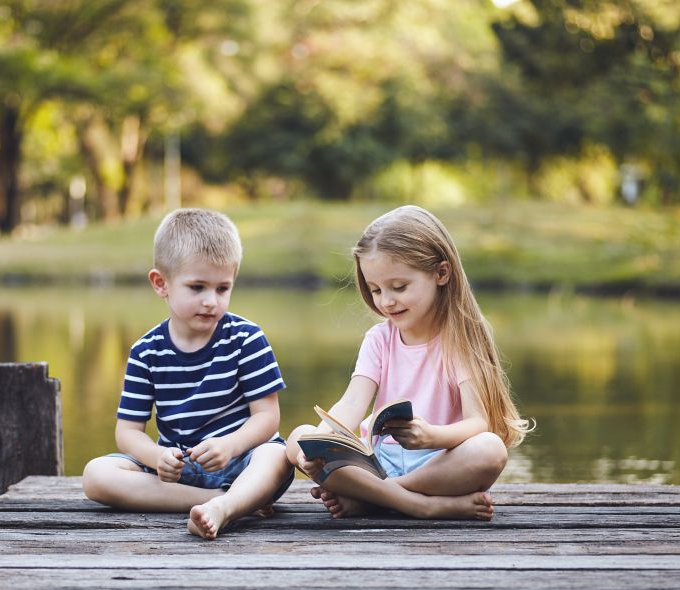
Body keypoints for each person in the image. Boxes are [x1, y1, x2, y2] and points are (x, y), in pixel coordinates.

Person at [286, 205, 530, 520]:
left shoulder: (461, 338)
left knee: (490, 449)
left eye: (399, 287)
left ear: (441, 273)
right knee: (297, 438)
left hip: (438, 463)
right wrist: (319, 443)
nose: (386, 301)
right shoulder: (379, 339)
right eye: (375, 290)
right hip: (378, 460)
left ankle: (378, 498)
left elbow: (478, 423)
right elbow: (352, 403)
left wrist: (432, 437)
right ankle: (418, 504)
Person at [83, 208, 293, 539]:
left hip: (240, 462)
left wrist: (230, 445)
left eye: (223, 288)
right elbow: (128, 432)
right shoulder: (146, 351)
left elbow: (267, 417)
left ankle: (232, 502)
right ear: (161, 283)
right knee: (96, 475)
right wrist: (157, 456)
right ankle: (218, 502)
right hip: (179, 471)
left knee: (278, 454)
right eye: (197, 287)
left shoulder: (246, 338)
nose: (211, 301)